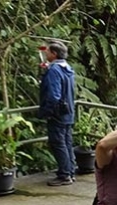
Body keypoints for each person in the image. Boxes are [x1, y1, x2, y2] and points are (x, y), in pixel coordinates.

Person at [38, 41, 76, 186]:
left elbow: (54, 95)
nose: (45, 53)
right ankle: (69, 171)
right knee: (66, 142)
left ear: (54, 54)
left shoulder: (54, 70)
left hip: (58, 114)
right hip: (68, 111)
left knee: (58, 143)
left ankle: (64, 175)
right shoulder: (67, 68)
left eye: (47, 51)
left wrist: (47, 111)